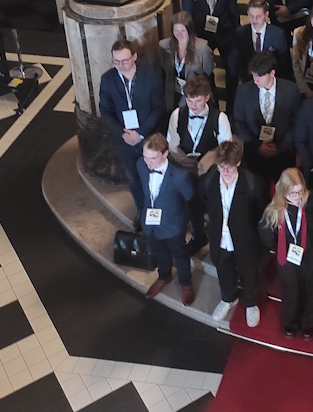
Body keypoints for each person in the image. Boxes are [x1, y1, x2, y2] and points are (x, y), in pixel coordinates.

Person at [202, 137, 269, 326]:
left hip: (244, 238)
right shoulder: (208, 182)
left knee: (249, 272)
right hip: (219, 238)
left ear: (238, 163)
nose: (224, 172)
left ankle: (251, 303)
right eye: (220, 167)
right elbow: (205, 204)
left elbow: (262, 212)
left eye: (229, 168)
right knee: (224, 269)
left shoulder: (253, 184)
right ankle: (228, 298)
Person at [99, 39, 166, 218]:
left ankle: (159, 211)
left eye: (125, 60)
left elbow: (159, 107)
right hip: (124, 139)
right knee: (133, 177)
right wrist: (123, 134)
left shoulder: (150, 75)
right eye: (116, 61)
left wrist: (140, 133)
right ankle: (142, 212)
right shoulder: (107, 79)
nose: (120, 65)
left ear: (134, 57)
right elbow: (105, 111)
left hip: (149, 136)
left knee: (155, 175)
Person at [166, 74, 232, 254]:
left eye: (197, 101)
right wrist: (189, 165)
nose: (193, 106)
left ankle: (218, 235)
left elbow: (225, 149)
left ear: (207, 97)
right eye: (189, 101)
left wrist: (203, 166)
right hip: (184, 165)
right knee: (187, 195)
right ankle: (197, 236)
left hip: (211, 167)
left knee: (212, 195)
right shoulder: (177, 115)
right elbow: (172, 146)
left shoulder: (220, 118)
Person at [259, 168, 313, 338]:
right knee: (291, 289)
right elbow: (266, 233)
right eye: (292, 194)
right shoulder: (275, 210)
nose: (297, 197)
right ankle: (291, 321)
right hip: (287, 255)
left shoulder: (310, 201)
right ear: (283, 192)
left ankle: (309, 322)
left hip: (311, 253)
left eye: (300, 192)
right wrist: (277, 246)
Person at [137, 133, 196, 305]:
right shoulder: (141, 165)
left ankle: (185, 283)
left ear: (165, 154)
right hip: (150, 222)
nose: (148, 163)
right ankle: (164, 276)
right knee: (159, 251)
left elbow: (189, 196)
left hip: (173, 224)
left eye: (153, 158)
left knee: (180, 255)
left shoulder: (180, 175)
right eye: (145, 157)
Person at [232, 51, 301, 186]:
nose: (255, 80)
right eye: (253, 75)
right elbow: (238, 122)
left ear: (272, 73)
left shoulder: (291, 91)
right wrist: (258, 146)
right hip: (254, 155)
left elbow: (296, 123)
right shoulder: (243, 91)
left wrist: (280, 147)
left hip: (283, 154)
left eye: (260, 76)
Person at [228, 0, 291, 89]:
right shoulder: (240, 33)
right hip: (248, 80)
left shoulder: (278, 34)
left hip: (270, 81)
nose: (254, 20)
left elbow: (282, 61)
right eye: (251, 16)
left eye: (258, 16)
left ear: (266, 15)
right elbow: (237, 59)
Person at [159, 11, 214, 110]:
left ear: (189, 29)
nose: (179, 34)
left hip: (195, 95)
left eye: (182, 31)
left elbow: (208, 71)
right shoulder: (163, 46)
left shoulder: (202, 48)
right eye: (176, 30)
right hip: (173, 95)